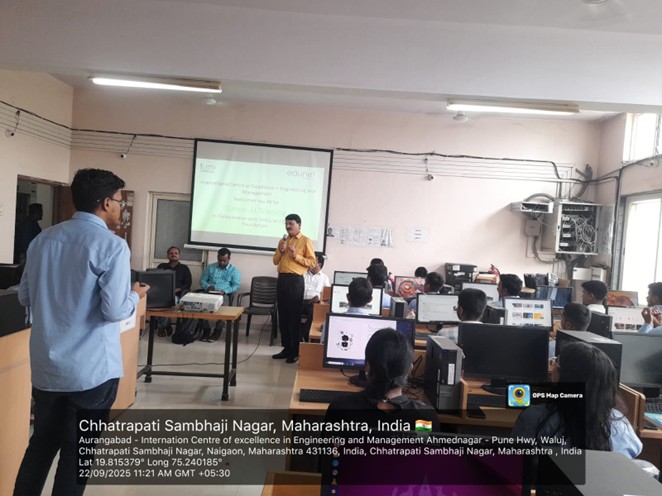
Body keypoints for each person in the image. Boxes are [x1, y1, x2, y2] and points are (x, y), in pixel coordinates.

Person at [15, 168, 150, 496]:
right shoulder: (112, 246)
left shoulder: (43, 240)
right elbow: (114, 311)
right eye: (119, 201)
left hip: (47, 369)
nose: (121, 208)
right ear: (106, 203)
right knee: (77, 456)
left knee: (40, 447)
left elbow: (24, 296)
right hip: (91, 372)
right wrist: (135, 295)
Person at [512, 341, 642, 459]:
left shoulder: (534, 418)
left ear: (561, 375)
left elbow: (515, 462)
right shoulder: (620, 424)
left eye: (556, 362)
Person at [325, 328, 439, 430]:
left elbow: (329, 446)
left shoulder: (340, 408)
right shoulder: (425, 417)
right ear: (409, 370)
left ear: (368, 368)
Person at [272, 214, 316, 363]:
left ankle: (295, 351)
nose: (288, 226)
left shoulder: (306, 241)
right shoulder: (282, 241)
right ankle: (286, 348)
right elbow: (275, 261)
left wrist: (296, 256)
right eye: (286, 223)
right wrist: (280, 250)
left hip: (295, 281)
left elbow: (312, 263)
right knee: (283, 316)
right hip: (282, 280)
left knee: (293, 317)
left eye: (291, 223)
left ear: (299, 225)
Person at [199, 247, 241, 341]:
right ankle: (206, 330)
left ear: (229, 259)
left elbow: (236, 286)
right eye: (220, 260)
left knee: (224, 310)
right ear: (217, 257)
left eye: (224, 261)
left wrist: (225, 291)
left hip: (223, 294)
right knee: (200, 307)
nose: (222, 263)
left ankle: (217, 331)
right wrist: (208, 286)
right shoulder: (210, 267)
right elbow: (202, 280)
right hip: (209, 292)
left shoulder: (234, 271)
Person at [155, 245, 192, 337]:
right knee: (157, 302)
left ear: (179, 255)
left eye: (176, 253)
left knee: (169, 301)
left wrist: (178, 289)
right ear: (167, 255)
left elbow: (188, 283)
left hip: (178, 294)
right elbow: (156, 280)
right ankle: (166, 325)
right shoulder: (162, 266)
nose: (174, 255)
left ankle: (162, 326)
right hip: (162, 293)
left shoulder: (184, 268)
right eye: (171, 253)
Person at [301, 252, 331, 341]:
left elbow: (327, 295)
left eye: (312, 261)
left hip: (313, 303)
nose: (309, 263)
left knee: (315, 312)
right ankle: (302, 334)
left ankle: (302, 333)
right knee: (291, 311)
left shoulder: (324, 278)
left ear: (319, 264)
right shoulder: (303, 274)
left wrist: (319, 297)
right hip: (299, 300)